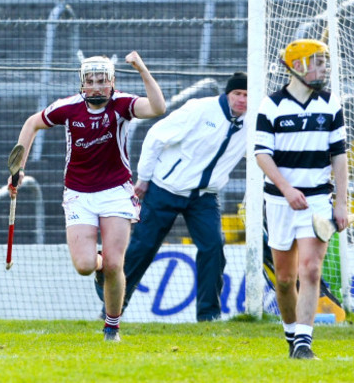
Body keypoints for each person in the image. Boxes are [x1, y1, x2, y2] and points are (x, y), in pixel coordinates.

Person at [8, 51, 166, 342]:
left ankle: (112, 326)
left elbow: (157, 107)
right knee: (84, 265)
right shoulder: (69, 108)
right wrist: (19, 167)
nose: (95, 87)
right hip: (79, 192)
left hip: (116, 191)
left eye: (101, 81)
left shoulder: (122, 105)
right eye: (90, 81)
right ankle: (98, 270)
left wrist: (142, 68)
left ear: (112, 82)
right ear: (82, 83)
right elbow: (32, 123)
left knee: (114, 263)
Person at [95, 71, 248, 322]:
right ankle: (113, 307)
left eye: (246, 95)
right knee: (142, 247)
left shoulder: (253, 121)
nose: (242, 100)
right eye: (237, 94)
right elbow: (155, 136)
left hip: (204, 197)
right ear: (227, 94)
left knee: (213, 247)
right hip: (165, 187)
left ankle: (209, 315)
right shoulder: (199, 109)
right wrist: (144, 178)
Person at [255, 39, 348, 360]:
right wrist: (286, 189)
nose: (323, 68)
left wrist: (341, 203)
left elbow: (339, 156)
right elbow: (262, 155)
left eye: (324, 62)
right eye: (317, 62)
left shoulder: (330, 104)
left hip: (317, 202)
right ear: (297, 66)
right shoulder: (272, 105)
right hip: (280, 202)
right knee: (284, 280)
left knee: (310, 270)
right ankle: (291, 334)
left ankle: (304, 343)